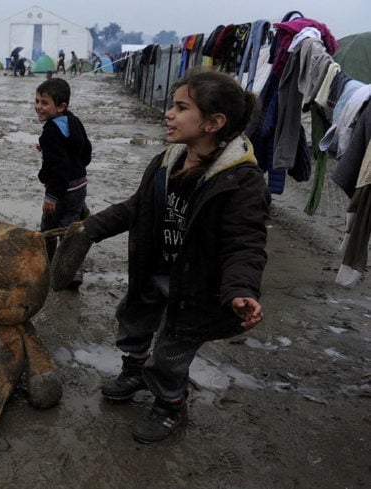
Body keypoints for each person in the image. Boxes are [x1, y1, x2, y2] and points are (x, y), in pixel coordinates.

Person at [69, 68, 269, 443]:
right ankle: (133, 370)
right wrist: (91, 228)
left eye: (181, 107)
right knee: (133, 322)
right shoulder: (168, 161)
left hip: (195, 287)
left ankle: (169, 404)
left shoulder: (241, 182)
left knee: (172, 352)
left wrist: (241, 289)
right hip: (154, 270)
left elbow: (245, 243)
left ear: (213, 122)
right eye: (172, 105)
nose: (169, 113)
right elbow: (137, 208)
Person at [34, 78, 91, 287]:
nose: (38, 107)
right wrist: (77, 165)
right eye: (37, 101)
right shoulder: (72, 120)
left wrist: (51, 195)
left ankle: (46, 265)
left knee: (49, 227)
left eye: (44, 103)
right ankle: (74, 272)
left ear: (61, 106)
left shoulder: (50, 130)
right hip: (79, 185)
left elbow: (57, 168)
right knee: (71, 227)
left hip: (61, 190)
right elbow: (85, 150)